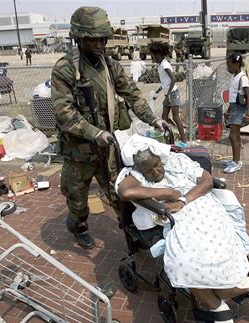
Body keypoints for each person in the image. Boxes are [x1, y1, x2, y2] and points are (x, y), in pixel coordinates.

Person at [116, 135, 249, 323]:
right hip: (179, 220)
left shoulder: (178, 161)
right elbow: (125, 191)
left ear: (160, 156)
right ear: (140, 169)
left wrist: (183, 199)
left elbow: (207, 181)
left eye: (157, 166)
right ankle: (226, 304)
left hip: (204, 206)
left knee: (215, 257)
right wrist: (166, 192)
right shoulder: (134, 175)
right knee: (185, 262)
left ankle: (244, 289)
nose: (156, 172)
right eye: (149, 171)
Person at [51, 6, 169, 249]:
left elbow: (133, 96)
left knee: (120, 193)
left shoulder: (110, 66)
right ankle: (78, 226)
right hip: (79, 151)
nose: (99, 44)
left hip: (108, 149)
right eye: (92, 39)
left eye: (102, 38)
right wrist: (94, 133)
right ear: (79, 38)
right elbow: (64, 114)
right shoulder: (66, 69)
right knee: (77, 198)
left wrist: (153, 119)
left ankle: (132, 230)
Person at [149, 41, 188, 148]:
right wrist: (157, 91)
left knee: (176, 117)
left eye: (154, 56)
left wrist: (169, 94)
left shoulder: (165, 65)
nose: (153, 58)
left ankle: (184, 140)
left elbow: (173, 79)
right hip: (168, 95)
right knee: (164, 117)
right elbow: (165, 83)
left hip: (173, 94)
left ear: (160, 54)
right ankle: (166, 139)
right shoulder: (160, 65)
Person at [222, 53, 249, 174]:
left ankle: (235, 163)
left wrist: (248, 114)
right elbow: (233, 96)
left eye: (229, 65)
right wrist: (228, 111)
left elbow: (248, 95)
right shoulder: (234, 76)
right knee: (236, 136)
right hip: (234, 108)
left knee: (232, 136)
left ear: (237, 64)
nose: (228, 68)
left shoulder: (242, 78)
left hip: (240, 110)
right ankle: (236, 160)